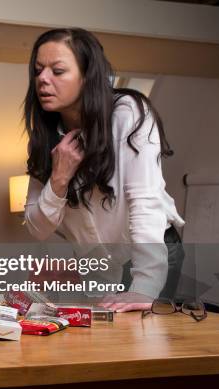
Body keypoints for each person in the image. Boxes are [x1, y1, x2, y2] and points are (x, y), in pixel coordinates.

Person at [23, 28, 185, 312]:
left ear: (87, 76)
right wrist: (59, 178)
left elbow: (144, 202)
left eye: (58, 71)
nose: (43, 79)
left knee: (144, 345)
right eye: (38, 71)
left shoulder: (129, 112)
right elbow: (37, 228)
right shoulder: (45, 139)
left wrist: (145, 287)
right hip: (99, 268)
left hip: (150, 254)